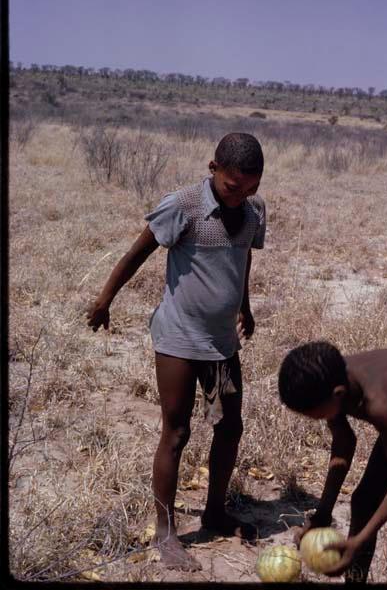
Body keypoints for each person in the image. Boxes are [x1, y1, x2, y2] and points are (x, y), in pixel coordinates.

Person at [86, 132, 266, 571]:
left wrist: (245, 306)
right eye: (231, 186)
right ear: (212, 169)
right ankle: (166, 532)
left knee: (228, 426)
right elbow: (137, 253)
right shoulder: (183, 205)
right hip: (179, 340)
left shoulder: (254, 212)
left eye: (250, 188)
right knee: (177, 431)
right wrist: (105, 299)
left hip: (222, 345)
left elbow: (242, 260)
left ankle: (215, 511)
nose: (239, 196)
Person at [278, 341, 387, 583]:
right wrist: (322, 514)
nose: (312, 420)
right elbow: (344, 445)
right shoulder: (332, 377)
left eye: (312, 414)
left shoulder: (378, 402)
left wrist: (358, 541)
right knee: (362, 503)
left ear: (337, 395)